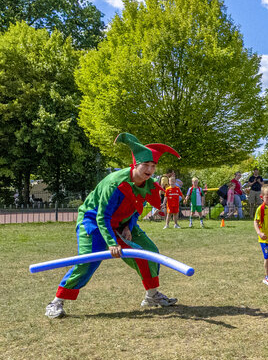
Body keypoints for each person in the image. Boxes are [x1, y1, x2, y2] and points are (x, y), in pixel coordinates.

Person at [45, 134, 182, 319]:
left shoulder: (148, 185)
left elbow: (136, 210)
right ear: (135, 164)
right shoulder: (115, 183)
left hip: (122, 222)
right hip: (93, 221)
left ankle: (152, 295)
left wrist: (128, 227)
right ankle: (56, 302)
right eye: (146, 165)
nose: (150, 170)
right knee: (88, 261)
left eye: (153, 166)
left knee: (149, 252)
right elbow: (102, 216)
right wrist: (111, 242)